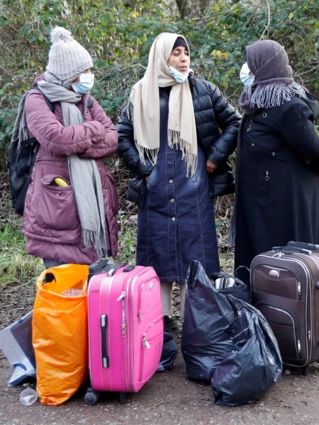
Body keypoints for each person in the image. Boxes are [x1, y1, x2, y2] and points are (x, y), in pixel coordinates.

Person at [117, 33, 241, 331]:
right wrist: (144, 169)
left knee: (193, 252)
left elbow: (235, 122)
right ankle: (160, 318)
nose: (184, 58)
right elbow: (122, 135)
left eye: (186, 52)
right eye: (176, 53)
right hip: (156, 188)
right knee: (157, 251)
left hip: (193, 187)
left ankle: (192, 316)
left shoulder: (203, 90)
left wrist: (213, 158)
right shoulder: (141, 92)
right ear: (162, 57)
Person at [233, 40, 319, 282]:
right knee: (263, 256)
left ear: (265, 66)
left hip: (285, 200)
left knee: (286, 260)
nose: (246, 69)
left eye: (250, 63)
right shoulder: (257, 102)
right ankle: (262, 307)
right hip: (263, 197)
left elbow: (311, 146)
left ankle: (290, 309)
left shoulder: (287, 105)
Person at [19, 27, 119, 269]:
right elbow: (56, 138)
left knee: (93, 288)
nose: (89, 75)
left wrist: (80, 146)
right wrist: (94, 130)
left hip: (93, 200)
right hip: (57, 203)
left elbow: (114, 137)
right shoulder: (37, 99)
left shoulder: (86, 99)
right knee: (64, 289)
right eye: (84, 70)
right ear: (68, 73)